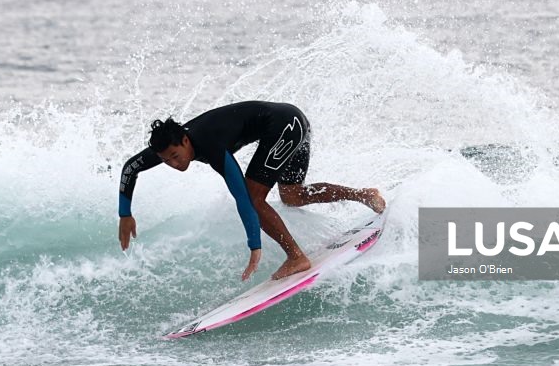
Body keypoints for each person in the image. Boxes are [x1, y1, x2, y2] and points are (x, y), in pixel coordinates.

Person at [118, 101, 385, 281]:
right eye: (167, 161)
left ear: (185, 140)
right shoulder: (168, 145)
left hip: (286, 126)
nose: (174, 165)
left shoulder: (210, 145)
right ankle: (365, 195)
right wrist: (125, 214)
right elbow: (130, 167)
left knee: (254, 197)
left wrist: (254, 246)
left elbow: (243, 197)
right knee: (292, 196)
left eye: (176, 156)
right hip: (291, 121)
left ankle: (296, 257)